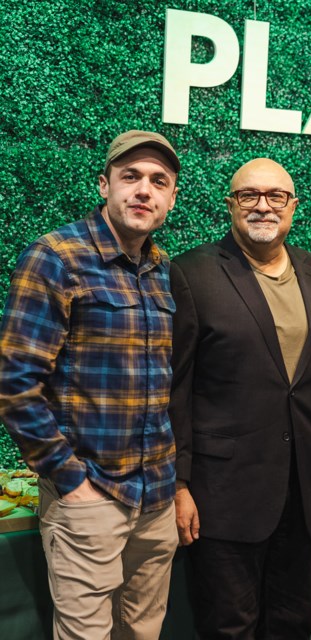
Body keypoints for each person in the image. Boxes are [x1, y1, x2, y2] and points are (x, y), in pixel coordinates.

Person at [0, 130, 181, 639]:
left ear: (171, 197)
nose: (143, 190)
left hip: (156, 499)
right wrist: (70, 480)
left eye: (158, 181)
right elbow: (14, 383)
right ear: (105, 185)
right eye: (131, 178)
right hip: (91, 495)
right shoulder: (55, 256)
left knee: (144, 632)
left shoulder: (163, 269)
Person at [169, 159, 311, 639]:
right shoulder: (191, 273)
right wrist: (179, 484)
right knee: (228, 627)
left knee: (292, 624)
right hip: (222, 494)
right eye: (249, 196)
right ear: (231, 205)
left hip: (303, 492)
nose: (263, 206)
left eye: (276, 196)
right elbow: (174, 389)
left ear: (293, 207)